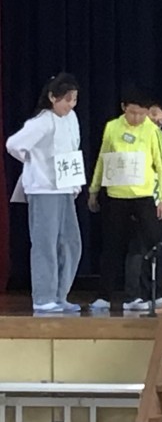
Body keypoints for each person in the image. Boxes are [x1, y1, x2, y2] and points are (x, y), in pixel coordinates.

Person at [6, 73, 82, 313]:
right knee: (45, 243)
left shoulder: (71, 119)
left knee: (70, 242)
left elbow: (73, 149)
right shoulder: (42, 121)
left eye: (74, 99)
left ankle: (60, 294)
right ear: (52, 97)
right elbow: (13, 145)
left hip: (65, 188)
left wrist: (75, 182)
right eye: (66, 99)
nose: (70, 105)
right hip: (43, 189)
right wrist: (33, 163)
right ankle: (43, 297)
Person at [88, 86, 162, 311]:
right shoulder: (112, 127)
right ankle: (104, 296)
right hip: (116, 195)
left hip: (143, 196)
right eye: (132, 113)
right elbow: (102, 159)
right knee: (111, 246)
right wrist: (94, 189)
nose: (137, 118)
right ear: (124, 108)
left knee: (149, 245)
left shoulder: (152, 131)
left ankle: (148, 293)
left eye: (141, 114)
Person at [124, 99, 162, 307]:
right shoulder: (137, 135)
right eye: (149, 113)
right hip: (140, 197)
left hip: (159, 198)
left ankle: (153, 292)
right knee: (138, 246)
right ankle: (133, 295)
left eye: (156, 113)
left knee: (156, 246)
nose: (152, 118)